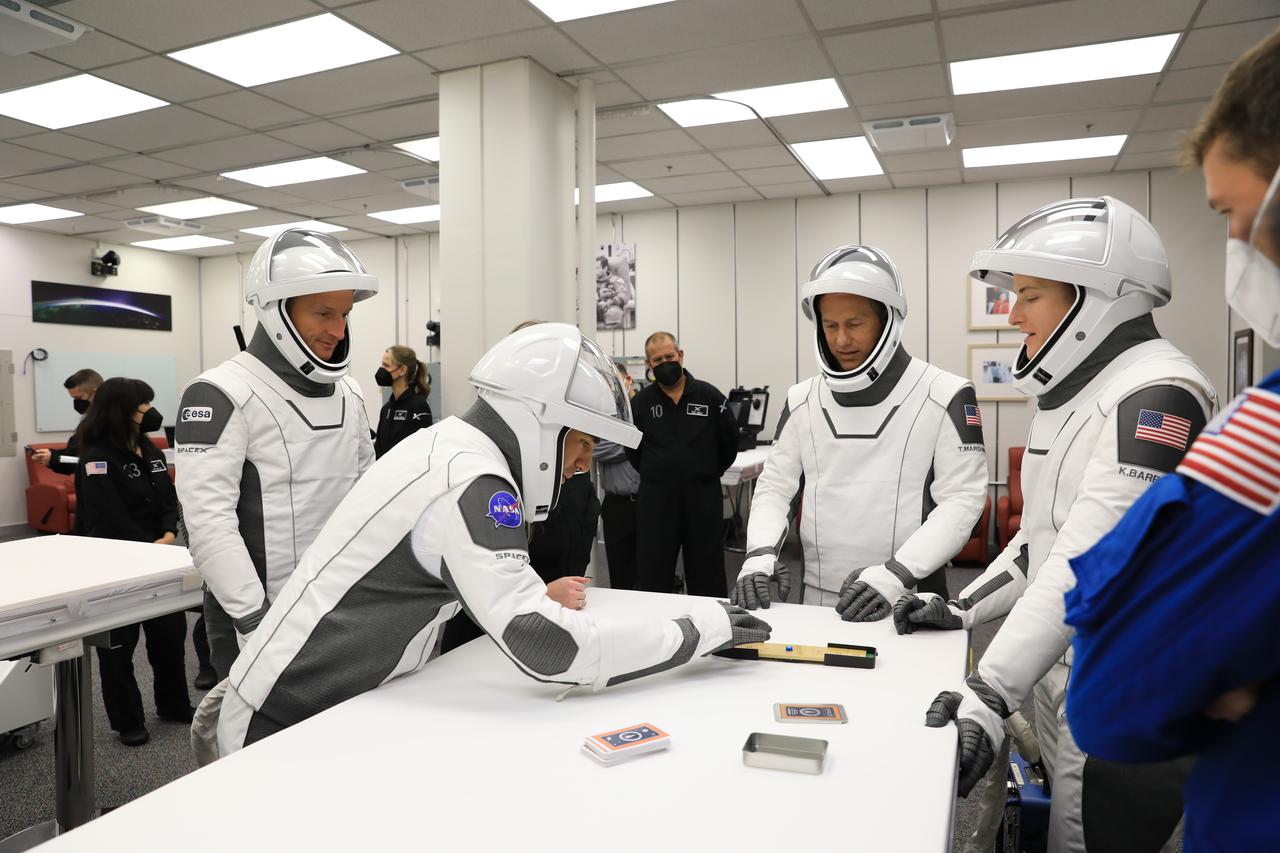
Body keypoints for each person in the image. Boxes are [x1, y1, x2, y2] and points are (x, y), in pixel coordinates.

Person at [216, 323, 770, 755]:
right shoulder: (473, 483)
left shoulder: (453, 447)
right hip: (284, 719)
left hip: (315, 699)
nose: (580, 467)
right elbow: (555, 650)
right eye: (578, 446)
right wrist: (701, 628)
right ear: (540, 425)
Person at [906, 197, 1216, 853]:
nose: (1013, 314)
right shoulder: (1078, 394)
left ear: (1097, 297)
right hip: (1054, 670)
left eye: (1030, 296)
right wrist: (959, 607)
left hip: (1122, 689)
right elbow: (1035, 547)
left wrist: (990, 689)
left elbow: (1089, 557)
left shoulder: (1159, 393)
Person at [1064, 28, 1280, 853]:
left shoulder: (1253, 428)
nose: (1234, 246)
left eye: (1234, 211)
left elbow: (1115, 691)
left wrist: (1218, 675)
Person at [731, 245, 988, 616]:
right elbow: (774, 488)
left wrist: (895, 574)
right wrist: (758, 554)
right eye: (829, 325)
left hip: (908, 594)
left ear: (889, 321)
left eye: (855, 324)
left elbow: (962, 501)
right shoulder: (802, 399)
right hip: (819, 596)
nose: (840, 341)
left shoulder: (945, 394)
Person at [176, 228, 377, 682]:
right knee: (253, 745)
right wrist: (253, 620)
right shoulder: (221, 391)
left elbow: (370, 499)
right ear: (277, 312)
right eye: (323, 313)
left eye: (344, 314)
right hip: (257, 617)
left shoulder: (350, 392)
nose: (337, 330)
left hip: (338, 605)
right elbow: (208, 522)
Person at [440, 319, 600, 652]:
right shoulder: (488, 476)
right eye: (583, 445)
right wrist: (540, 596)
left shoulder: (573, 479)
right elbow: (476, 582)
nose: (585, 462)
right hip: (485, 644)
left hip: (554, 633)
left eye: (590, 445)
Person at [73, 377, 191, 746]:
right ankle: (127, 721)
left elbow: (168, 496)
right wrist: (151, 545)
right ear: (124, 409)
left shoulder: (150, 449)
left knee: (170, 637)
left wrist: (169, 532)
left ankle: (173, 704)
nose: (150, 412)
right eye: (144, 405)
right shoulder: (97, 458)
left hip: (159, 555)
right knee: (119, 647)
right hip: (117, 561)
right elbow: (108, 516)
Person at [628, 333, 738, 597]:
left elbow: (730, 440)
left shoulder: (709, 396)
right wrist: (658, 471)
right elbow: (631, 449)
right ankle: (656, 630)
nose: (665, 363)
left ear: (681, 355)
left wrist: (708, 471)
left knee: (707, 571)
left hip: (702, 498)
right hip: (656, 501)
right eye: (657, 360)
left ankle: (712, 630)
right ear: (648, 364)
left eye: (670, 356)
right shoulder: (640, 404)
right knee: (653, 571)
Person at [595, 363, 641, 589]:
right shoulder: (601, 415)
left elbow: (652, 446)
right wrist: (632, 443)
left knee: (650, 573)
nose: (611, 389)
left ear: (628, 380)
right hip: (616, 506)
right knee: (620, 574)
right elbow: (595, 450)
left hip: (646, 503)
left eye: (615, 382)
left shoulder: (643, 409)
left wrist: (621, 443)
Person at [31, 368, 101, 474]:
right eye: (73, 398)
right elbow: (76, 453)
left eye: (79, 398)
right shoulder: (89, 421)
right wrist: (52, 456)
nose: (77, 403)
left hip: (102, 487)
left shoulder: (109, 422)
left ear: (95, 393)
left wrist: (55, 459)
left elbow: (100, 466)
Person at [373, 344, 433, 459]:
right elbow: (378, 449)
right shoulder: (386, 409)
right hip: (385, 474)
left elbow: (423, 451)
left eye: (386, 365)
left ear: (402, 370)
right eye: (382, 364)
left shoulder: (418, 406)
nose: (381, 369)